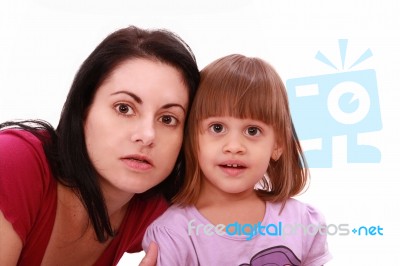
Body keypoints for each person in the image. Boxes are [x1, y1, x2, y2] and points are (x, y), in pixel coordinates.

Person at [0, 25, 200, 265]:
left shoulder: (154, 212)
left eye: (168, 119)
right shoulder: (13, 163)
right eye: (124, 108)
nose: (147, 135)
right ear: (84, 110)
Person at [143, 54, 332, 265]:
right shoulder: (174, 234)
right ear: (191, 138)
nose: (234, 147)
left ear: (277, 145)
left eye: (253, 131)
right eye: (217, 128)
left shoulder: (301, 221)